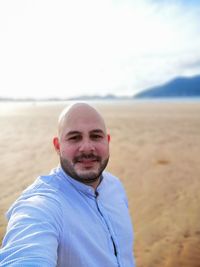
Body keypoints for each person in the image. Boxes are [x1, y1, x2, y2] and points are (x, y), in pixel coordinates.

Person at [0, 102, 135, 267]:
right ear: (58, 146)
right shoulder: (43, 205)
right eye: (74, 137)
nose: (87, 148)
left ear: (107, 141)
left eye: (96, 136)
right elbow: (25, 254)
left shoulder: (115, 186)